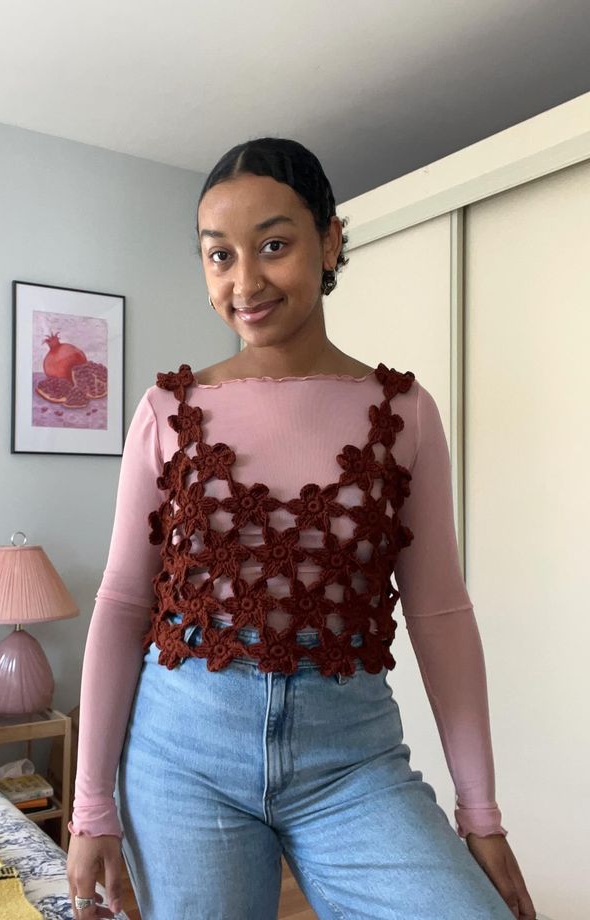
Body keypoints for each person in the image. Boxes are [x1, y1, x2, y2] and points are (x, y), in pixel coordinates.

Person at [66, 137, 536, 920]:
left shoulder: (404, 413)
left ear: (331, 241)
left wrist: (479, 814)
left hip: (352, 760)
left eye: (274, 245)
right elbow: (121, 605)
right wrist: (90, 810)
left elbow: (440, 612)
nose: (245, 281)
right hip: (184, 758)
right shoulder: (166, 415)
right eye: (219, 256)